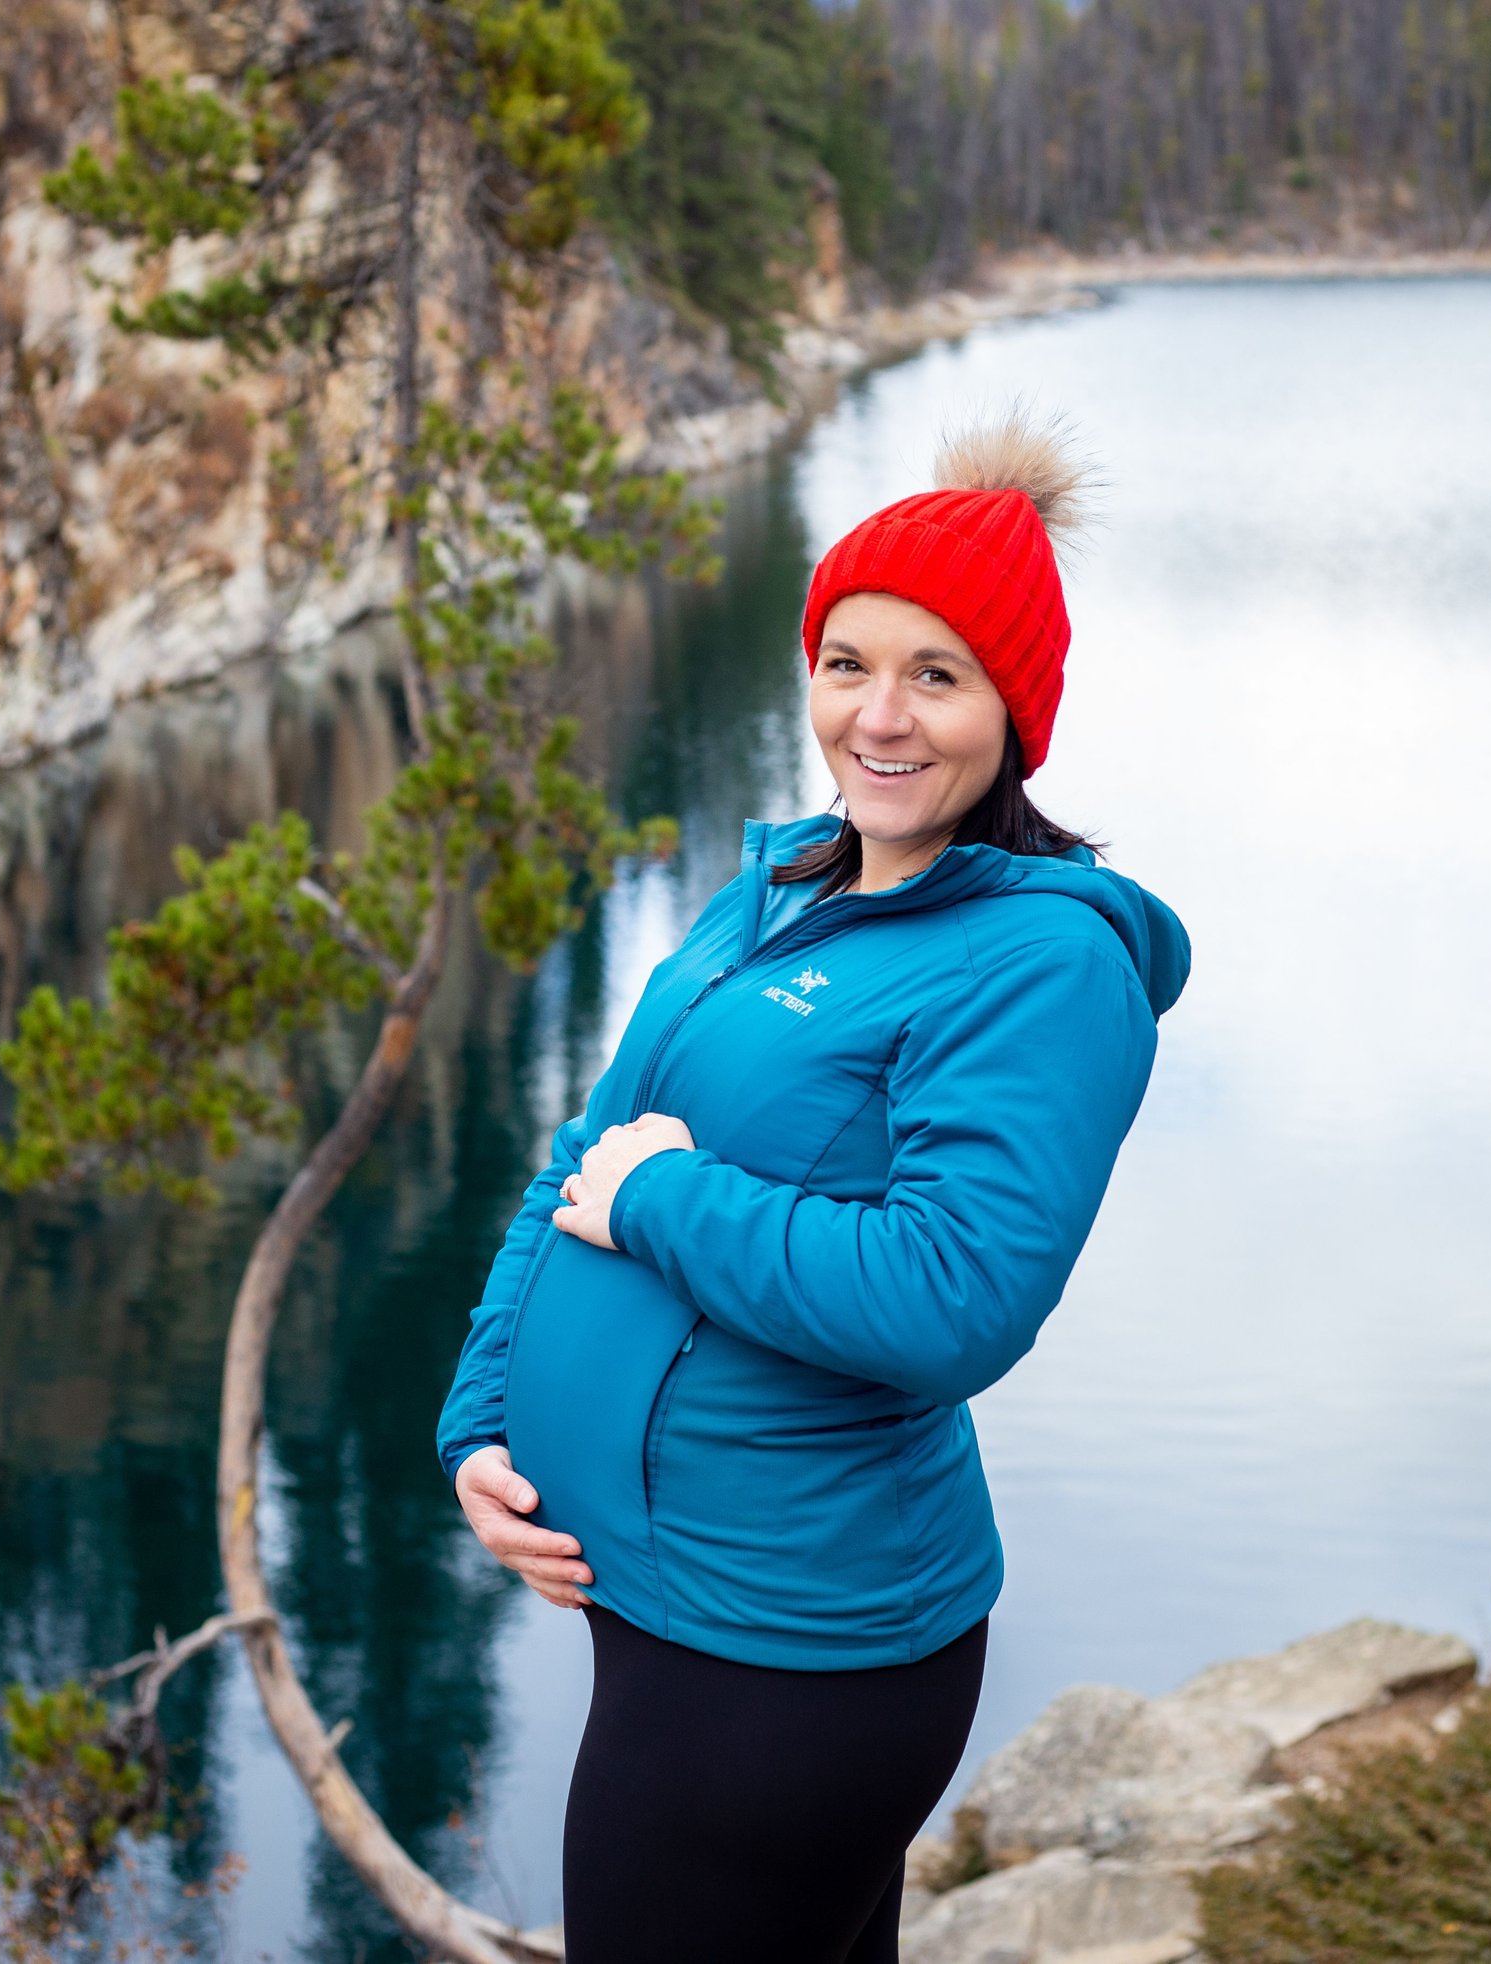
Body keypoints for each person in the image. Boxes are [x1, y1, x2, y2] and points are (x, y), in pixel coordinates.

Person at [435, 411, 1191, 1962]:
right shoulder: (783, 883)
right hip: (656, 1598)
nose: (880, 717)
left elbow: (953, 1297)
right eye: (848, 663)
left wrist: (670, 1203)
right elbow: (585, 1153)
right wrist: (481, 1422)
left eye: (937, 676)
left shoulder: (1043, 962)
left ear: (1015, 709)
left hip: (791, 1649)